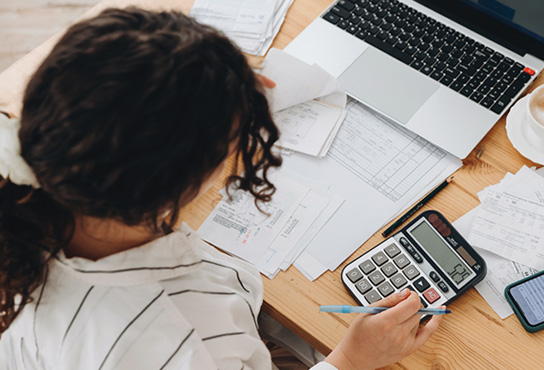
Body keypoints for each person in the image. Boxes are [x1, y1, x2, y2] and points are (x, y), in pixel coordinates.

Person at [0, 7, 442, 370]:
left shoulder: (37, 195)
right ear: (178, 185)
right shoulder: (162, 343)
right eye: (234, 142)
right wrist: (350, 359)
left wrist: (215, 78)